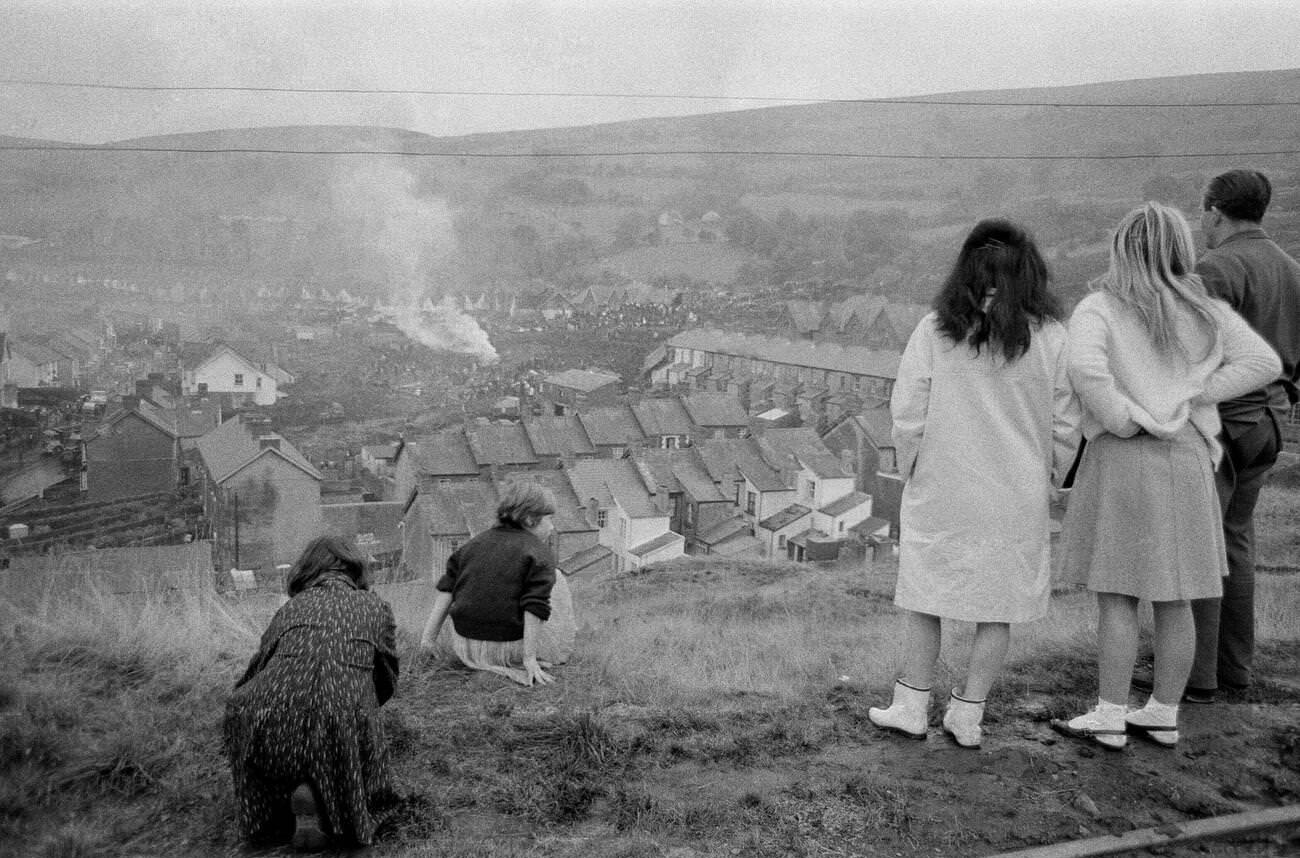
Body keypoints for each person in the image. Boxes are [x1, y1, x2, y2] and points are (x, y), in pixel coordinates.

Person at [1052, 202, 1280, 750]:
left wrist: (1126, 418)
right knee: (1176, 597)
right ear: (1180, 248)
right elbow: (1264, 364)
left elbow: (1085, 371)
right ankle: (1161, 712)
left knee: (1118, 594)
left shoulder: (1100, 307)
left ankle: (1109, 713)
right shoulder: (1204, 309)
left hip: (1124, 456)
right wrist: (1190, 396)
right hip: (1185, 455)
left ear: (1122, 247)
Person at [868, 219, 1079, 749]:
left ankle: (912, 704)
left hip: (944, 484)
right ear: (1030, 270)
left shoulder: (936, 329)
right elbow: (1067, 422)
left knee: (925, 594)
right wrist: (1053, 475)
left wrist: (911, 466)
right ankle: (967, 715)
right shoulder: (1052, 336)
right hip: (1016, 492)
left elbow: (908, 412)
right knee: (997, 607)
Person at [1184, 170, 1300, 703]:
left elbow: (1191, 352)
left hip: (1226, 424)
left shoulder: (1216, 266)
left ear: (1214, 211)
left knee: (1202, 547)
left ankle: (1197, 677)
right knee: (1236, 541)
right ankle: (1235, 671)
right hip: (1273, 422)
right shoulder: (1291, 268)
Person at [223, 536, 399, 847]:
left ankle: (280, 806)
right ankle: (328, 800)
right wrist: (366, 710)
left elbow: (257, 667)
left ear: (306, 570)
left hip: (264, 707)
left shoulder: (291, 608)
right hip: (337, 711)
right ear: (356, 569)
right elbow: (386, 675)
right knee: (347, 735)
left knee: (258, 730)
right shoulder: (375, 606)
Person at [420, 481, 567, 687]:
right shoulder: (538, 552)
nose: (552, 527)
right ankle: (538, 656)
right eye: (549, 519)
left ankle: (498, 658)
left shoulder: (473, 544)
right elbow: (535, 606)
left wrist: (428, 640)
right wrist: (529, 659)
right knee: (557, 579)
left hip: (464, 645)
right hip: (505, 649)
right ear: (530, 519)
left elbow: (447, 591)